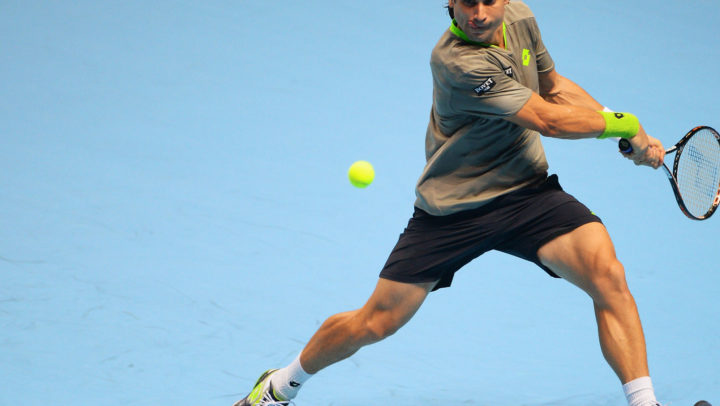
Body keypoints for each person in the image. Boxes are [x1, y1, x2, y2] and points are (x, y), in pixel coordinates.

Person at [234, 1, 669, 405]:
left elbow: (553, 86)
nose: (478, 13)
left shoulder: (520, 18)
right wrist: (625, 125)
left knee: (607, 276)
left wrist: (625, 131)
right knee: (377, 321)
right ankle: (278, 385)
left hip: (527, 192)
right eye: (467, 2)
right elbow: (545, 118)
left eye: (488, 1)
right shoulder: (457, 62)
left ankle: (644, 402)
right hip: (454, 209)